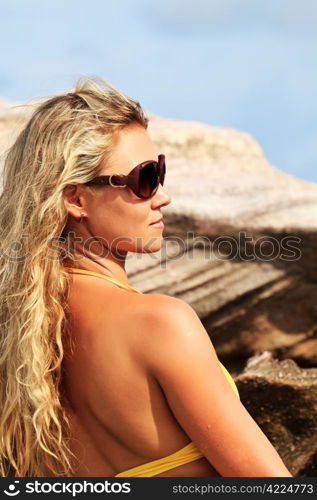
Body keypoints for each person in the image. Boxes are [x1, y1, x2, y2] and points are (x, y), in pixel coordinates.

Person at [0, 77, 292, 478]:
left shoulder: (18, 336)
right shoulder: (160, 324)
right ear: (76, 199)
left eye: (161, 171)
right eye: (145, 178)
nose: (163, 195)